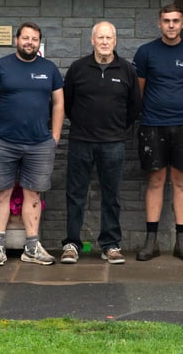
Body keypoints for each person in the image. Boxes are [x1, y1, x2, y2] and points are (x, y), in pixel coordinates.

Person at [60, 22, 142, 265]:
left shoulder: (126, 70)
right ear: (92, 40)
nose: (105, 42)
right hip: (81, 142)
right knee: (75, 194)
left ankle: (110, 245)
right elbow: (67, 103)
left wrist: (116, 127)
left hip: (113, 143)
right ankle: (72, 244)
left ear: (115, 41)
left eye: (109, 38)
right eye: (100, 37)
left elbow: (134, 106)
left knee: (111, 196)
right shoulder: (78, 68)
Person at [132, 4, 183, 262]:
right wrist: (156, 111)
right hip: (152, 125)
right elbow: (138, 91)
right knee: (155, 182)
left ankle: (182, 242)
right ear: (159, 23)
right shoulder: (146, 52)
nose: (171, 25)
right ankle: (151, 242)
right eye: (166, 21)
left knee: (181, 182)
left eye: (176, 21)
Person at [0, 21, 64, 266]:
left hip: (39, 144)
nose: (30, 42)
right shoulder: (0, 66)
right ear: (16, 40)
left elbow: (59, 103)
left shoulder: (49, 69)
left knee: (33, 195)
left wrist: (55, 136)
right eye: (25, 38)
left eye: (34, 39)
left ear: (39, 43)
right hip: (2, 142)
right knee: (2, 193)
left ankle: (31, 248)